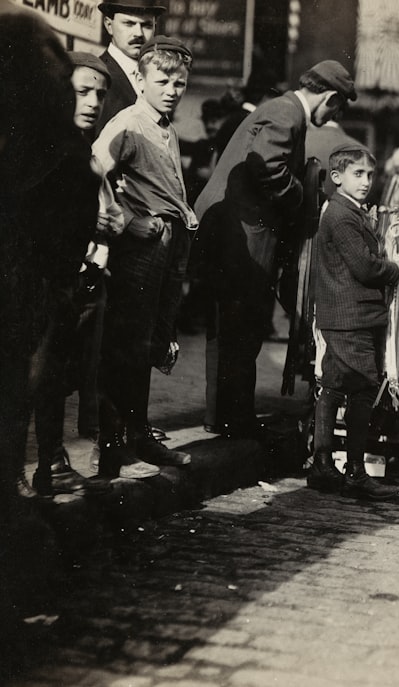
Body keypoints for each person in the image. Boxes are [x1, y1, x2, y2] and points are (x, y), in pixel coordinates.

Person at [194, 60, 357, 438]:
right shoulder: (287, 113)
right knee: (243, 327)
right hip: (245, 237)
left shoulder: (280, 109)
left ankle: (225, 416)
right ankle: (236, 420)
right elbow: (267, 165)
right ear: (329, 97)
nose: (334, 115)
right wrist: (303, 197)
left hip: (234, 232)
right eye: (337, 107)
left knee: (232, 329)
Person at [0, 5, 102, 505]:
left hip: (37, 280)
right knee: (23, 379)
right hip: (29, 281)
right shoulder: (51, 145)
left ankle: (32, 470)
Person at [92, 36, 198, 478]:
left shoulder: (165, 126)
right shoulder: (130, 122)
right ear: (141, 79)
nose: (172, 89)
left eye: (179, 82)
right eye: (162, 80)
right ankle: (112, 447)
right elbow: (94, 166)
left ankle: (136, 435)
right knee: (127, 346)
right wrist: (124, 220)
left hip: (168, 244)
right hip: (142, 247)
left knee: (151, 341)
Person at [29, 53, 125, 496]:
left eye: (100, 95)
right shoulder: (44, 145)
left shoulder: (79, 147)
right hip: (35, 281)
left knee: (54, 375)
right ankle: (40, 465)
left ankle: (52, 461)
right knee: (35, 374)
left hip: (67, 280)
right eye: (82, 91)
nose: (92, 102)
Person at [307, 142, 399, 500]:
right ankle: (354, 472)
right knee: (363, 388)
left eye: (369, 174)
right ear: (337, 177)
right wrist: (396, 269)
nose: (366, 181)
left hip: (343, 315)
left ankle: (321, 464)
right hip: (352, 316)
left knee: (334, 384)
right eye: (357, 174)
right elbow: (364, 266)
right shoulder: (342, 215)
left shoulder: (345, 210)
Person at [95, 0, 164, 133]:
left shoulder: (158, 77)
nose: (138, 33)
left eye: (147, 25)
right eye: (129, 23)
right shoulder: (97, 75)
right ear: (109, 25)